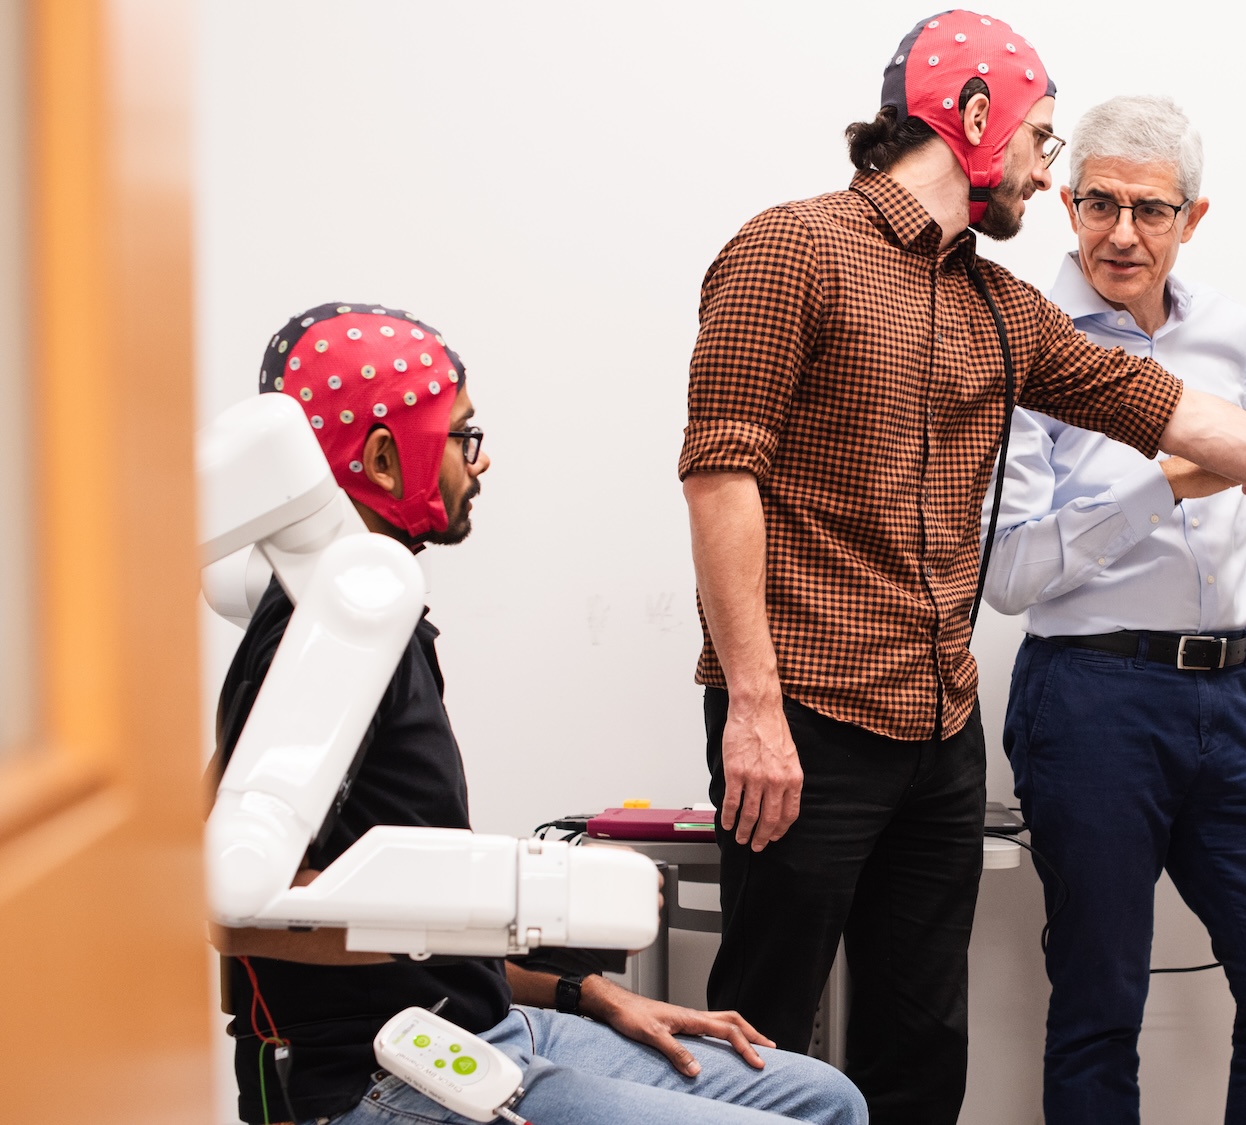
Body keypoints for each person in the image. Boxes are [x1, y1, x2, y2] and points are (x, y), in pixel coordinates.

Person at [679, 11, 1246, 1123]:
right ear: (969, 118)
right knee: (761, 1032)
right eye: (1044, 141)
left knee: (919, 1046)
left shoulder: (998, 308)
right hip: (805, 711)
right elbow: (720, 475)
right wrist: (750, 705)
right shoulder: (790, 247)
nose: (1048, 173)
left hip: (936, 728)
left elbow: (1174, 411)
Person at [209, 302, 864, 1125]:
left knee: (825, 1097)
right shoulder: (319, 637)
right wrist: (514, 896)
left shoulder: (373, 616)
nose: (479, 463)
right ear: (383, 456)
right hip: (386, 1073)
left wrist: (589, 990)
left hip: (488, 1024)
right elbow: (231, 905)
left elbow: (416, 930)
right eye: (461, 436)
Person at [982, 95, 1246, 1125]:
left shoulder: (1230, 334)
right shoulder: (1023, 344)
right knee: (1099, 1005)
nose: (1122, 234)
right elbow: (1008, 575)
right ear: (1064, 199)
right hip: (1088, 696)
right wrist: (1159, 485)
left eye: (1150, 209)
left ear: (1193, 217)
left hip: (1231, 698)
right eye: (1098, 204)